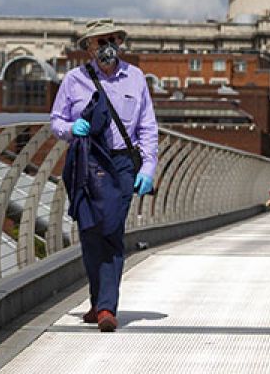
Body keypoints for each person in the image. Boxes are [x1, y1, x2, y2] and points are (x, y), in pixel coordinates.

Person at [52, 18, 158, 332]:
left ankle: (107, 308)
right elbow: (56, 120)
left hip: (122, 164)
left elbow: (147, 127)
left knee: (111, 230)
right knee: (88, 232)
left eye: (113, 39)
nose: (108, 46)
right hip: (85, 161)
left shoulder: (136, 78)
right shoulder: (74, 80)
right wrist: (72, 128)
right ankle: (98, 300)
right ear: (88, 47)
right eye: (101, 41)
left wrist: (148, 167)